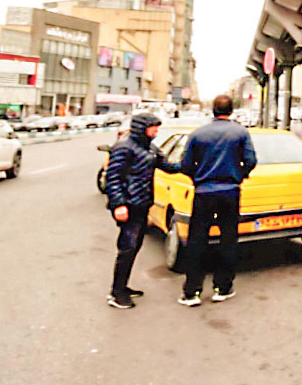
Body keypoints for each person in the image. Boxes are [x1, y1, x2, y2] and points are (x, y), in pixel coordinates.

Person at [176, 95, 258, 306]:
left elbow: (185, 164)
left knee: (197, 241)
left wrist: (197, 179)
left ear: (213, 110)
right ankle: (223, 288)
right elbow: (251, 160)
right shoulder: (240, 132)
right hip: (230, 192)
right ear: (231, 110)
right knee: (228, 240)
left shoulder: (198, 133)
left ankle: (192, 292)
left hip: (203, 193)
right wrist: (238, 176)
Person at [105, 112, 183, 309]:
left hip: (141, 204)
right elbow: (112, 178)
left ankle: (122, 286)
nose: (156, 131)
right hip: (129, 205)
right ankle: (117, 293)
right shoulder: (124, 147)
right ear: (142, 127)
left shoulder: (149, 146)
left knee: (134, 246)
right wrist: (119, 204)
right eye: (153, 127)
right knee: (127, 248)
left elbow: (167, 166)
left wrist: (191, 164)